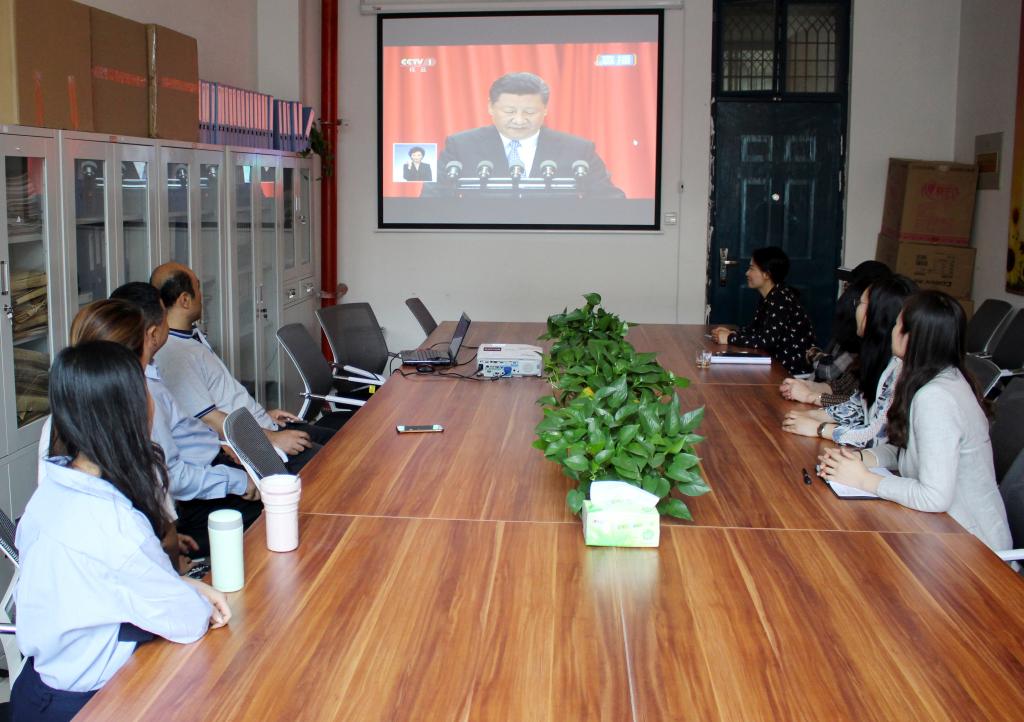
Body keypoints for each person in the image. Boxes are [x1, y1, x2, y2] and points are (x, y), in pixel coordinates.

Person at [12, 341, 230, 721]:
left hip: (35, 687)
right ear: (129, 411)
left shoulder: (54, 489)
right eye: (145, 389)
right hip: (85, 705)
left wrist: (181, 584)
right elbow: (188, 620)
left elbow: (102, 583)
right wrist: (191, 592)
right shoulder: (112, 522)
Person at [818, 290, 1012, 552]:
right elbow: (909, 453)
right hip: (941, 532)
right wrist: (861, 459)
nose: (892, 329)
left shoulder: (936, 397)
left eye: (898, 323)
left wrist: (864, 480)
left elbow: (934, 497)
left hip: (972, 546)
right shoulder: (935, 378)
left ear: (912, 338)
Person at [110, 282, 264, 556]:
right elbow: (173, 478)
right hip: (195, 501)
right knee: (285, 510)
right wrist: (239, 481)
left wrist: (221, 446)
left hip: (212, 468)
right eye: (164, 315)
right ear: (153, 333)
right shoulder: (145, 393)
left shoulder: (147, 375)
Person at [150, 262, 332, 473]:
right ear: (184, 300)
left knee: (346, 441)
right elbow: (211, 420)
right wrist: (271, 438)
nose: (203, 295)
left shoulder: (190, 338)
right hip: (257, 444)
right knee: (338, 464)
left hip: (262, 427)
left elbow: (222, 396)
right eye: (198, 288)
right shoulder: (174, 354)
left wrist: (261, 415)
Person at [424, 72, 625, 198]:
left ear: (545, 109)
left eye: (529, 112)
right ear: (490, 107)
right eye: (509, 111)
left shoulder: (578, 150)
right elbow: (432, 200)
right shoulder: (461, 146)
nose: (519, 120)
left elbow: (611, 202)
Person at [782, 275, 917, 447]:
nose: (855, 310)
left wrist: (820, 428)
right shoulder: (880, 358)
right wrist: (813, 414)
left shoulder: (899, 367)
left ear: (877, 315)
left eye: (860, 303)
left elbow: (879, 434)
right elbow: (858, 405)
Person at [710, 246, 816, 374]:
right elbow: (756, 330)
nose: (747, 273)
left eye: (751, 268)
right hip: (775, 365)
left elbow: (766, 341)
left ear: (766, 274)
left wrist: (729, 338)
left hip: (790, 372)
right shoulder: (771, 296)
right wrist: (733, 333)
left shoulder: (780, 299)